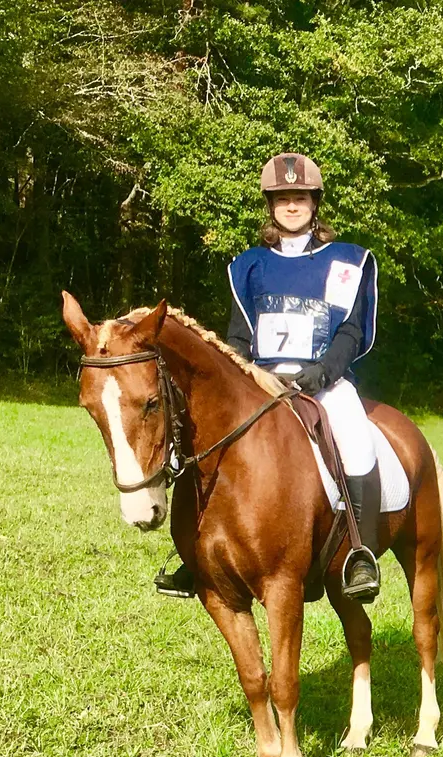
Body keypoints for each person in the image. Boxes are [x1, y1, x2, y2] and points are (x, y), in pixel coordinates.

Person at [153, 152, 385, 603]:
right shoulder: (249, 266)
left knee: (355, 440)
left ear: (315, 202)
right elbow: (239, 337)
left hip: (325, 382)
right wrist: (235, 378)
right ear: (270, 206)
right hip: (260, 382)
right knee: (206, 441)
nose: (291, 206)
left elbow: (352, 332)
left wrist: (321, 373)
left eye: (299, 197)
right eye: (282, 199)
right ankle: (193, 553)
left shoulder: (346, 262)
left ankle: (361, 553)